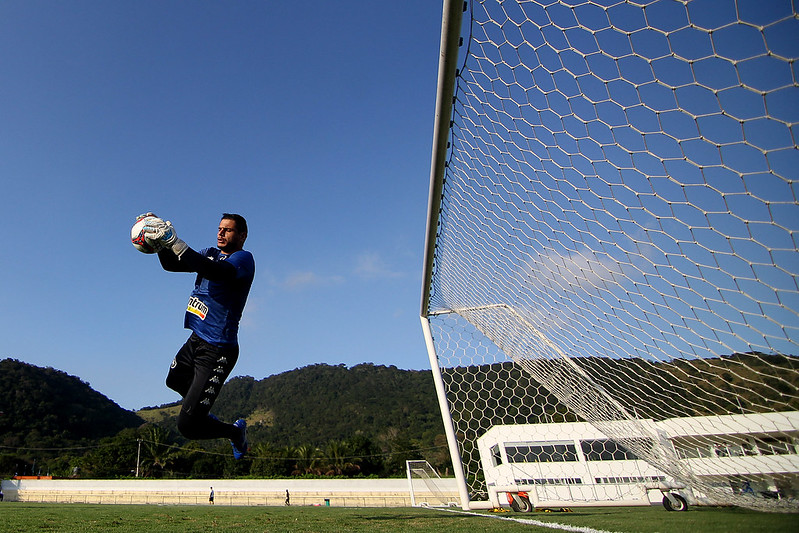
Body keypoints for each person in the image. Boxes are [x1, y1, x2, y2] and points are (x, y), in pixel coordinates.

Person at [139, 212, 255, 459]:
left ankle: (235, 434)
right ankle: (200, 411)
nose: (221, 233)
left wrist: (175, 242)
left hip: (218, 349)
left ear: (242, 236)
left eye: (228, 230)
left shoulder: (243, 259)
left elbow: (214, 272)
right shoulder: (208, 253)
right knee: (174, 380)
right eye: (219, 228)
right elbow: (172, 264)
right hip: (197, 339)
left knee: (188, 426)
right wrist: (159, 243)